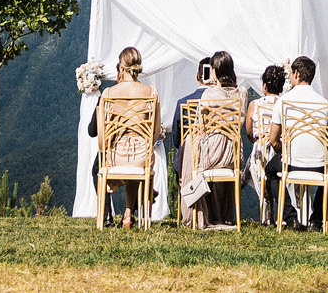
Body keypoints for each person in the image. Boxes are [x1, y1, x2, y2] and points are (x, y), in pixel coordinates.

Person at [88, 46, 161, 227]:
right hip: (141, 155)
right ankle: (128, 214)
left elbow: (102, 133)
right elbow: (156, 130)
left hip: (116, 156)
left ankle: (106, 216)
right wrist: (145, 146)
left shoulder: (109, 93)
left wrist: (107, 150)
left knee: (101, 165)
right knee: (137, 160)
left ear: (121, 67)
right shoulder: (151, 92)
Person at [179, 50, 244, 228]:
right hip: (231, 153)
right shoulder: (242, 93)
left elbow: (201, 126)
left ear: (214, 70)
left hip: (211, 152)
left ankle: (193, 211)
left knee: (189, 145)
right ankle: (222, 213)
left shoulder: (208, 94)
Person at [270, 56, 328, 230]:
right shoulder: (325, 103)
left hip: (291, 162)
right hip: (319, 165)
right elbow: (327, 138)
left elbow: (272, 139)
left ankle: (290, 218)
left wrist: (283, 150)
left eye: (291, 74)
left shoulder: (284, 101)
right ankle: (317, 220)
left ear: (296, 74)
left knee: (270, 171)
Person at [246, 63, 285, 227]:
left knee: (247, 170)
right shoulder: (284, 104)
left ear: (264, 86)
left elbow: (248, 132)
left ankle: (267, 215)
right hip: (280, 151)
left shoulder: (254, 105)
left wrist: (257, 141)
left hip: (259, 153)